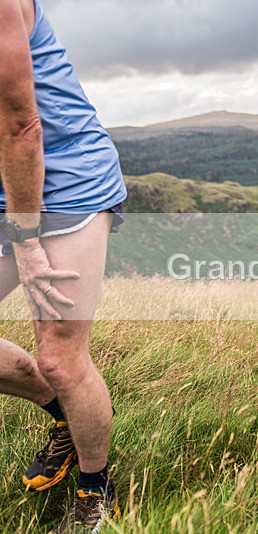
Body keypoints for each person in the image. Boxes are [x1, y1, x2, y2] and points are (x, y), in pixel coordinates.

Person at [0, 0, 127, 531]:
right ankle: (64, 420)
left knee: (61, 357)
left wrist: (27, 240)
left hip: (67, 181)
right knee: (57, 378)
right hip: (6, 176)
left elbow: (20, 124)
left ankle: (97, 488)